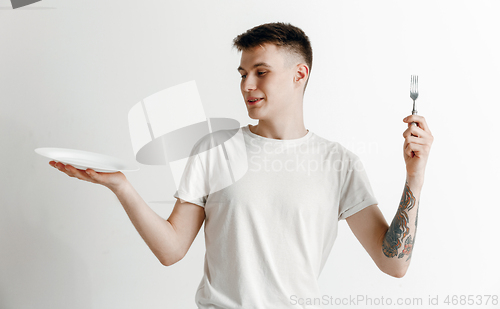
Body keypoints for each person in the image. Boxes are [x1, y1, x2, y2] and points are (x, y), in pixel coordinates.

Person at [50, 22, 434, 308]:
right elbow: (171, 250)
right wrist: (121, 186)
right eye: (242, 74)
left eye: (261, 72)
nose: (247, 85)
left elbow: (393, 264)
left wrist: (414, 177)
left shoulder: (338, 163)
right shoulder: (215, 149)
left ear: (299, 74)